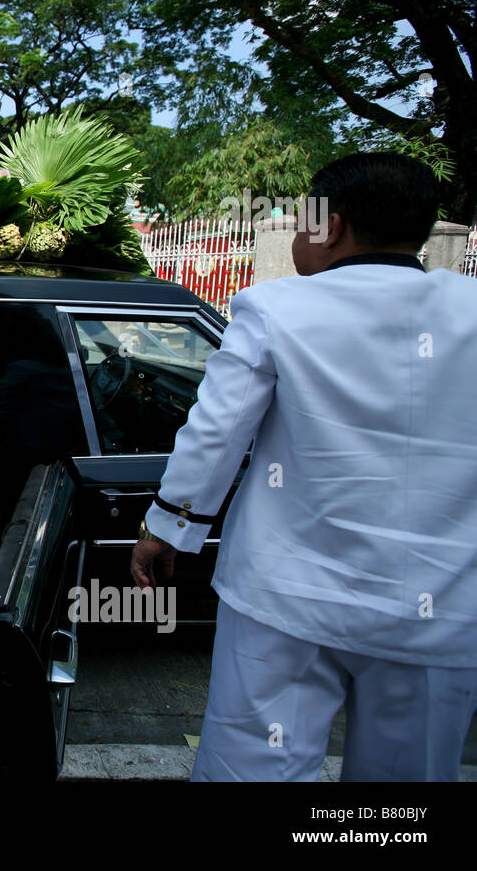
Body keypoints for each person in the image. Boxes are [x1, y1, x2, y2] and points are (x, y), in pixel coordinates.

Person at [131, 152, 477, 781]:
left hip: (285, 597)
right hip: (442, 602)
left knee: (253, 767)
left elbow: (216, 434)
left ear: (331, 226)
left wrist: (167, 529)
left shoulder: (275, 309)